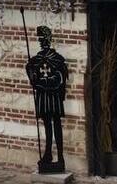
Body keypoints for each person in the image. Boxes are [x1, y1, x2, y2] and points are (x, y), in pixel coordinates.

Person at [26, 25, 69, 173]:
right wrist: (32, 75)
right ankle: (48, 154)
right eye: (41, 40)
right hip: (44, 98)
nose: (42, 42)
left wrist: (40, 82)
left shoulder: (57, 60)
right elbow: (30, 68)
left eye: (44, 39)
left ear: (48, 40)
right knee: (47, 126)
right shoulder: (36, 59)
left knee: (56, 125)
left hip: (54, 97)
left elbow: (59, 79)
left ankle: (61, 157)